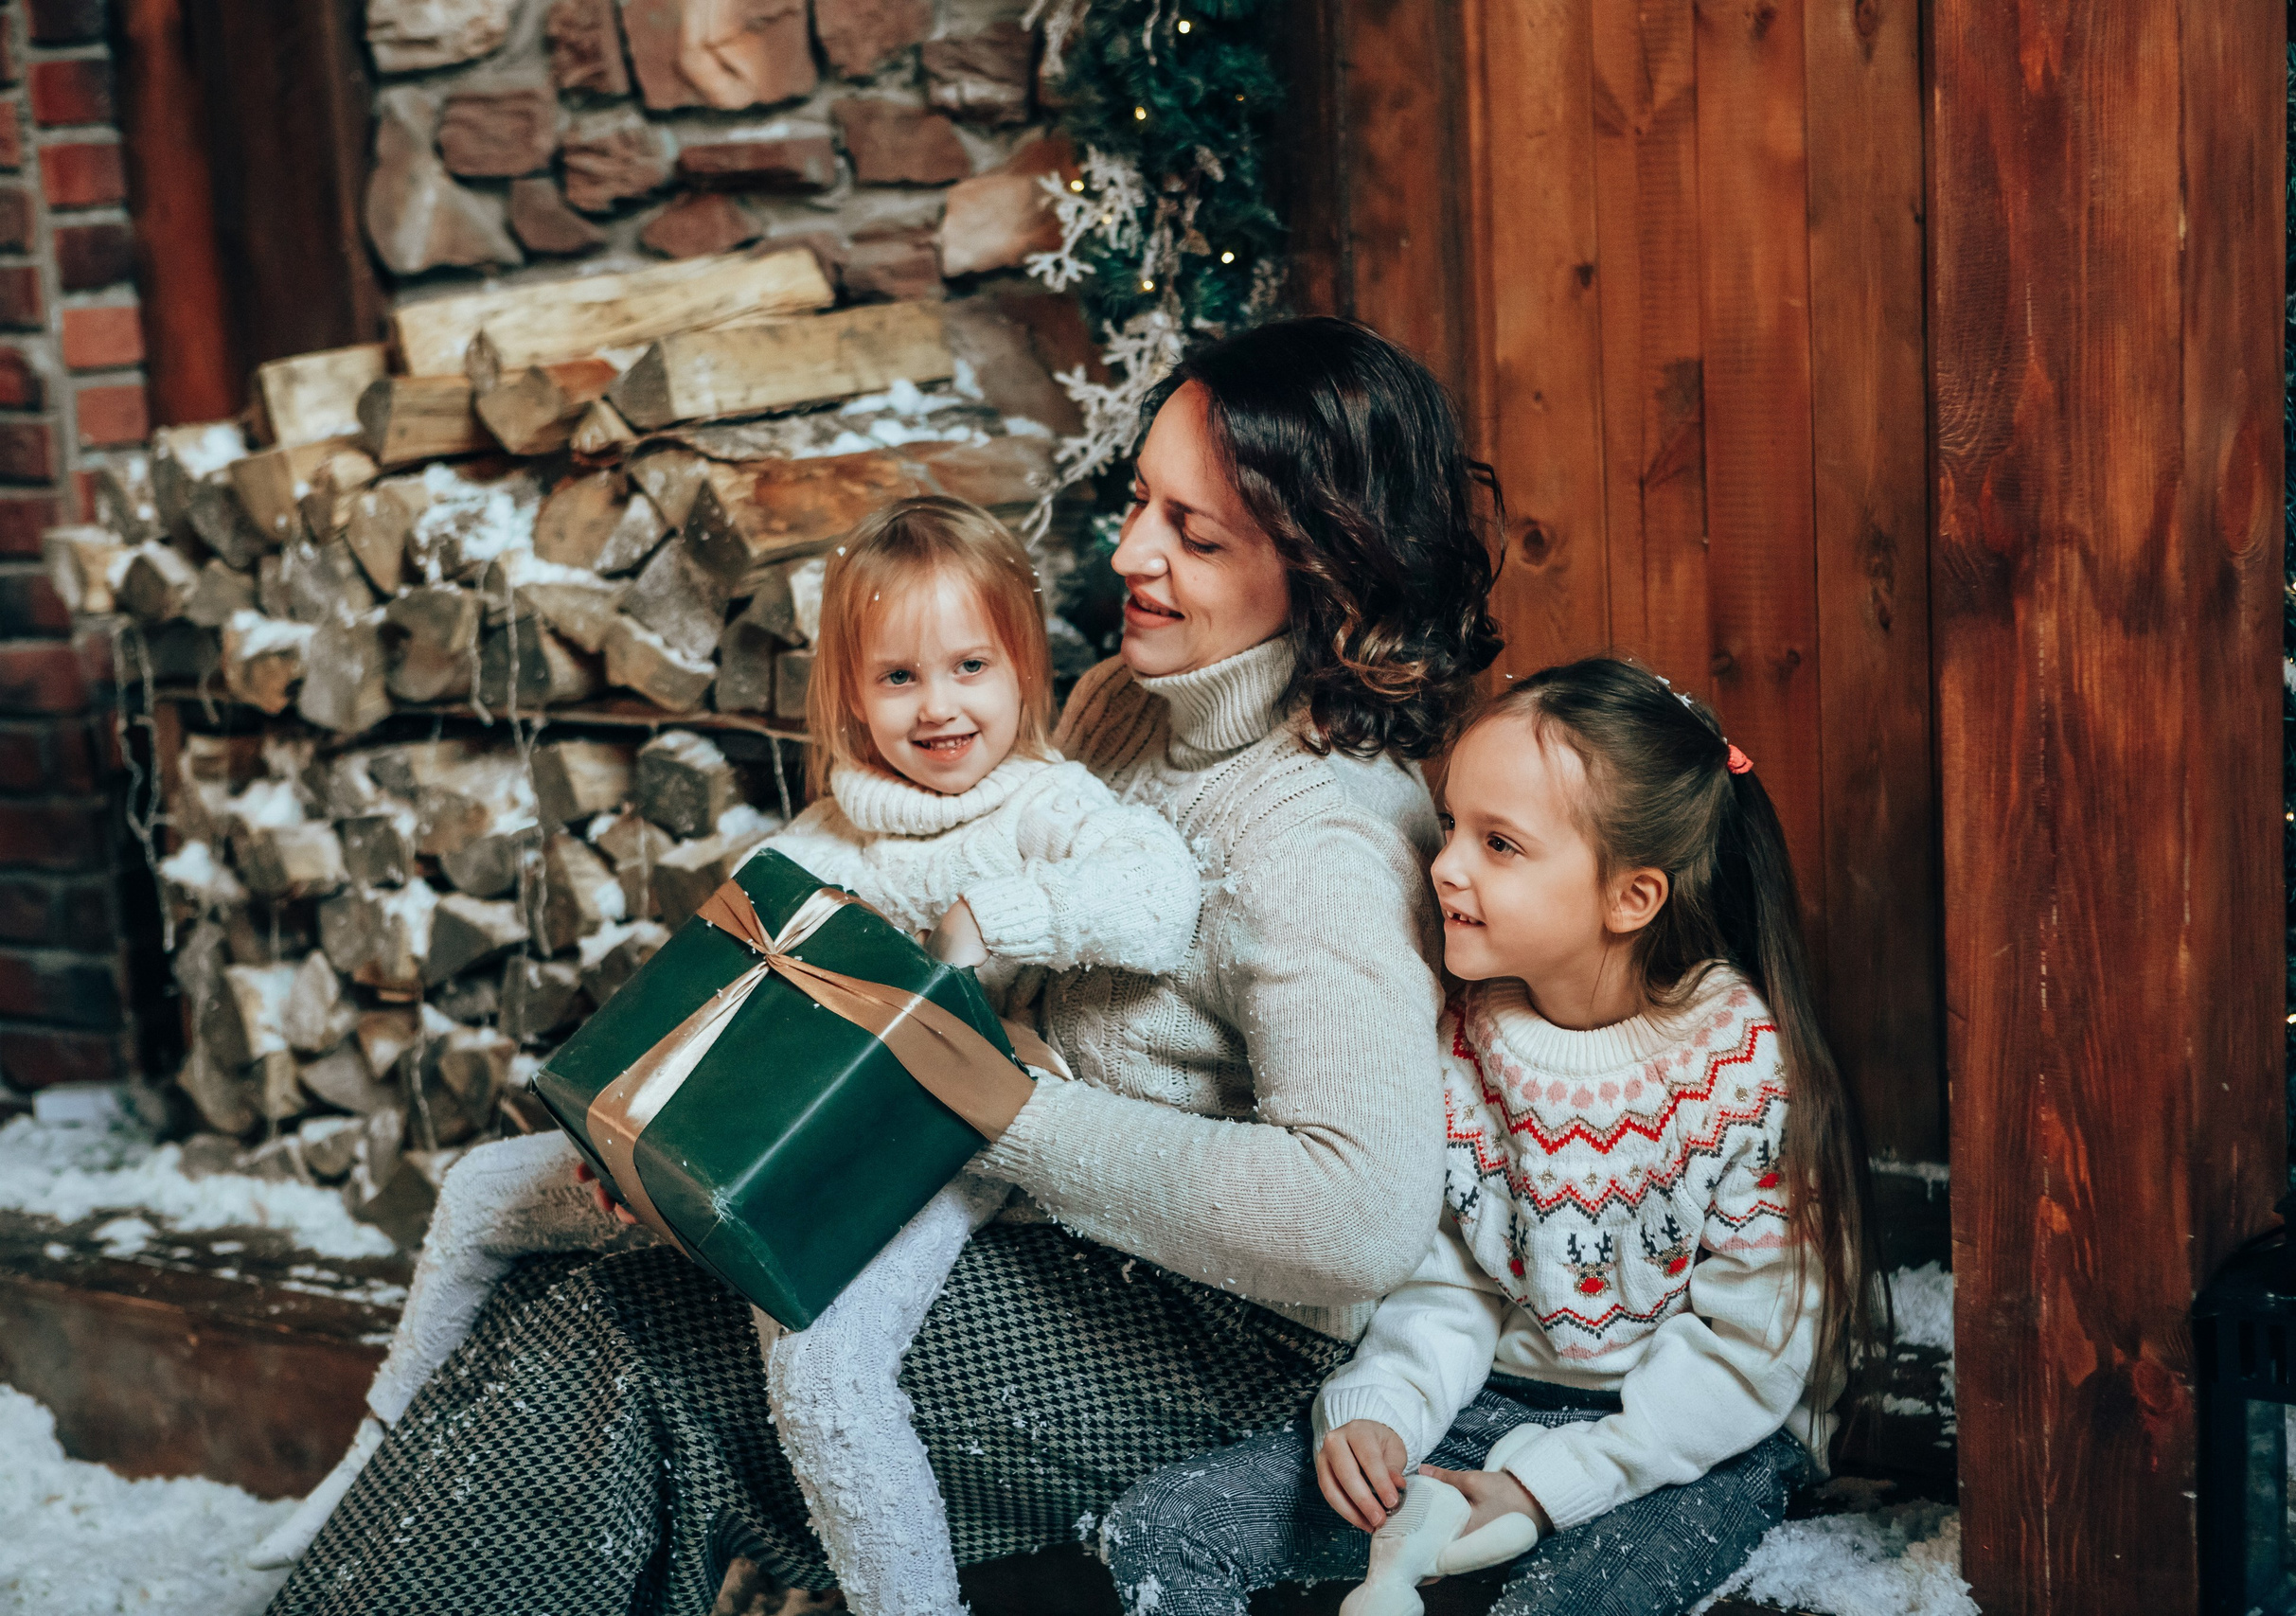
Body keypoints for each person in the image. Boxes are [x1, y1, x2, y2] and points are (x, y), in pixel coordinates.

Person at [265, 316, 1507, 1616]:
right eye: (1143, 499)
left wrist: (1013, 1112)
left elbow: (1357, 1221)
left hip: (1194, 1333)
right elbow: (928, 969)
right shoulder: (1120, 708)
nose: (1133, 552)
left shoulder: (1326, 833)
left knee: (632, 1353)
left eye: (1197, 536)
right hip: (1011, 1210)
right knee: (589, 1279)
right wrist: (685, 1134)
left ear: (1327, 572)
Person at [248, 495, 1201, 1589]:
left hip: (937, 1151)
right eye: (898, 678)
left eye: (969, 667)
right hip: (769, 1145)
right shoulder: (810, 845)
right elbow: (715, 1025)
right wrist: (632, 1158)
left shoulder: (1043, 806)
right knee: (476, 1192)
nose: (938, 707)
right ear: (849, 690)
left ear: (1022, 667)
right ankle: (366, 1468)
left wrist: (997, 918)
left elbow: (1159, 895)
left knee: (821, 1373)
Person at [1101, 659, 1882, 1616]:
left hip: (1702, 1440)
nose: (1444, 865)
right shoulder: (1462, 1032)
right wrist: (1384, 1409)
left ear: (1629, 899)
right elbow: (1452, 1275)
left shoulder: (1740, 1066)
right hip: (1491, 1404)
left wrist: (1548, 1487)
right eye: (1452, 825)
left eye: (1499, 844)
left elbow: (1749, 1350)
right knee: (1162, 1529)